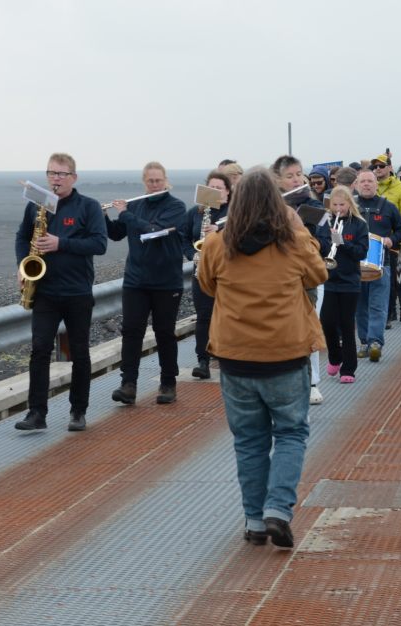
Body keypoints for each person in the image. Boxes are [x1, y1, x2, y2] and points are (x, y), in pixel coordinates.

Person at [196, 167, 327, 549]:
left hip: (235, 357)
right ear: (277, 202)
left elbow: (205, 284)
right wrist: (297, 228)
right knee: (290, 433)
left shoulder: (219, 244)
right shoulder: (291, 243)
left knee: (249, 441)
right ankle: (278, 510)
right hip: (285, 355)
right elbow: (318, 275)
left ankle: (254, 520)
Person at [14, 153, 108, 431]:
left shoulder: (88, 207)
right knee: (39, 350)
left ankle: (78, 411)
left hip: (77, 291)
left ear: (73, 178)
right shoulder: (36, 205)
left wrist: (60, 243)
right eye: (51, 173)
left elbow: (99, 244)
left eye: (61, 174)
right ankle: (36, 413)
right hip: (45, 291)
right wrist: (22, 265)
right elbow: (22, 236)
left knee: (79, 352)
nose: (55, 179)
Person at [106, 161, 187, 406]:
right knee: (131, 333)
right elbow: (116, 233)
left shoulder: (176, 206)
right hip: (136, 281)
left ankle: (168, 383)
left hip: (166, 282)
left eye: (158, 180)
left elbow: (153, 231)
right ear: (144, 182)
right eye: (150, 181)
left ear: (165, 181)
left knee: (164, 333)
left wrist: (125, 213)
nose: (154, 185)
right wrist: (102, 215)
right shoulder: (135, 205)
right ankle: (128, 385)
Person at [272, 155, 327, 403]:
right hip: (276, 278)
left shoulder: (314, 206)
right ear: (278, 180)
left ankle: (312, 381)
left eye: (298, 174)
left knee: (309, 327)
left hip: (306, 277)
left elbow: (324, 243)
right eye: (290, 175)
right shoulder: (268, 207)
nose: (296, 180)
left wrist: (303, 229)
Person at [315, 186, 369, 386]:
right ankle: (335, 357)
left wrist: (342, 242)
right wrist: (328, 241)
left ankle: (348, 368)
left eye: (342, 205)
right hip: (328, 279)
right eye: (334, 205)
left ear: (349, 204)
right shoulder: (324, 221)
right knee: (327, 322)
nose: (338, 209)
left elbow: (361, 252)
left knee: (347, 325)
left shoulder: (359, 224)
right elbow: (319, 245)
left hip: (349, 281)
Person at [354, 170, 401, 362]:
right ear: (357, 185)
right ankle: (363, 342)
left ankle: (375, 342)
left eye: (370, 181)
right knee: (360, 306)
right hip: (355, 265)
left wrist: (391, 240)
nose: (366, 184)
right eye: (363, 181)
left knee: (378, 305)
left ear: (377, 184)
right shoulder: (351, 206)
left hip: (381, 264)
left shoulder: (388, 207)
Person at [184, 170, 231, 379]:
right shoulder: (196, 212)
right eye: (211, 187)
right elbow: (183, 236)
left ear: (228, 192)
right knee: (204, 316)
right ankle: (202, 361)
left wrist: (220, 233)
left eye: (219, 188)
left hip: (228, 272)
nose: (214, 191)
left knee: (227, 316)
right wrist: (191, 254)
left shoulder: (235, 212)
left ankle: (228, 357)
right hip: (201, 271)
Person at [372, 153, 401, 322]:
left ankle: (399, 308)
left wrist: (395, 235)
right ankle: (392, 311)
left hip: (396, 238)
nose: (378, 169)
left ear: (390, 167)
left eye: (382, 166)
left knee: (399, 274)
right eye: (375, 167)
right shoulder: (372, 189)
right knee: (384, 276)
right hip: (376, 240)